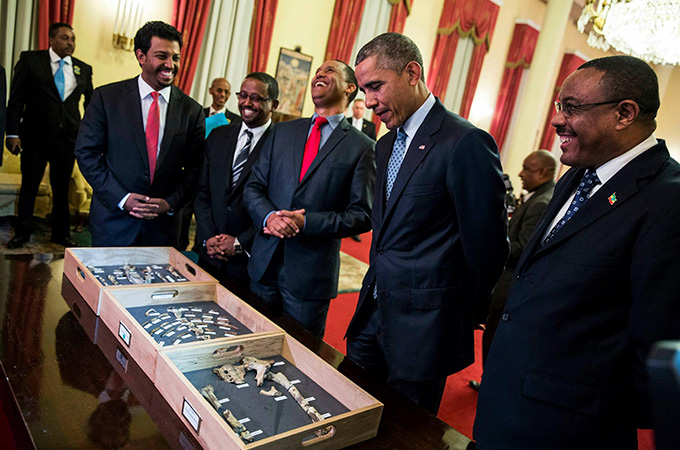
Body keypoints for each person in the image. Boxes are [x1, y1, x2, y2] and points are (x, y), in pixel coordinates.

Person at [474, 55, 680, 450]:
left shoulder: (669, 200)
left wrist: (593, 413)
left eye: (572, 107)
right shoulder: (578, 174)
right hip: (507, 404)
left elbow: (655, 339)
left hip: (567, 429)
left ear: (625, 113)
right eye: (558, 106)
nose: (556, 120)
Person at [344, 33, 509, 414]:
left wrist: (458, 312)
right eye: (363, 90)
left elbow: (487, 247)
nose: (368, 101)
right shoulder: (385, 144)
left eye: (375, 87)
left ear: (412, 72)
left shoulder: (465, 141)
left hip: (424, 329)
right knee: (352, 414)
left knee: (406, 432)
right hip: (370, 312)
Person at [244, 60, 375, 338]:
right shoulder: (283, 131)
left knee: (299, 360)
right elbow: (254, 186)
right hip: (264, 262)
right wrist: (269, 217)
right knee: (250, 341)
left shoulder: (362, 147)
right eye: (318, 71)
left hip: (310, 275)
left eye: (330, 71)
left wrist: (306, 223)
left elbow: (361, 215)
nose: (320, 74)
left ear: (351, 88)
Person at [75, 21, 204, 247]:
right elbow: (87, 154)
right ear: (141, 56)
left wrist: (170, 202)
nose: (170, 64)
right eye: (161, 56)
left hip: (162, 230)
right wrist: (122, 198)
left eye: (175, 58)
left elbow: (194, 169)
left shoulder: (192, 111)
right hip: (113, 223)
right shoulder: (107, 98)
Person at [469, 150, 555, 391]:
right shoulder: (540, 195)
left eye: (527, 168)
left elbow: (522, 249)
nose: (520, 173)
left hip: (509, 287)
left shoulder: (540, 202)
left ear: (542, 172)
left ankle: (490, 385)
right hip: (510, 285)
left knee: (494, 338)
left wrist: (492, 238)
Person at [5, 23, 93, 248]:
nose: (70, 43)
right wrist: (12, 133)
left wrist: (88, 135)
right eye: (65, 38)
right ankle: (22, 233)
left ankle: (61, 234)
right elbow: (16, 100)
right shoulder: (31, 61)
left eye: (73, 39)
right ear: (51, 39)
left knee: (61, 187)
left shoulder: (83, 68)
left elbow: (92, 107)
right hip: (34, 136)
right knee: (30, 185)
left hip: (67, 139)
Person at [193, 72, 279, 287]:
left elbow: (278, 205)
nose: (246, 103)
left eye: (256, 98)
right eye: (243, 95)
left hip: (249, 260)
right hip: (209, 252)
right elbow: (202, 192)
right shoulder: (218, 136)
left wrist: (240, 242)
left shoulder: (281, 145)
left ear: (274, 104)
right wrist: (209, 237)